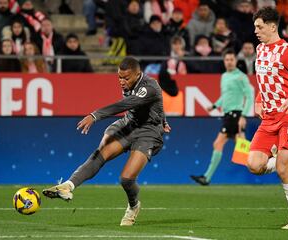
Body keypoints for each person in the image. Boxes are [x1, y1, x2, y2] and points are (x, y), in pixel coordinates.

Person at [43, 57, 171, 226]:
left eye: (126, 78)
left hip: (148, 133)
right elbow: (154, 106)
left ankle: (133, 206)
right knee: (101, 153)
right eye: (119, 77)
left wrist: (95, 115)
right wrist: (164, 119)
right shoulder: (131, 83)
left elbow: (126, 104)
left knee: (126, 179)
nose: (122, 81)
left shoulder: (149, 86)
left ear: (138, 74)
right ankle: (68, 185)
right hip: (128, 124)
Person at [248, 7, 288, 230]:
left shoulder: (287, 51)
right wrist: (258, 99)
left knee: (282, 170)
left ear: (273, 26)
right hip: (269, 118)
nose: (256, 30)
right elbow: (264, 79)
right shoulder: (260, 49)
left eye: (260, 26)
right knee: (254, 165)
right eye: (255, 26)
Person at [190, 49, 253, 185]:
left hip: (236, 115)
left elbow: (250, 96)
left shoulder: (241, 77)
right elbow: (225, 96)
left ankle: (207, 177)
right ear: (224, 61)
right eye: (227, 60)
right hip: (228, 115)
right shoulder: (224, 76)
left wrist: (243, 116)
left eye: (231, 59)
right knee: (242, 148)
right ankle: (267, 164)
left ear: (236, 61)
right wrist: (214, 106)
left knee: (220, 144)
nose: (229, 62)